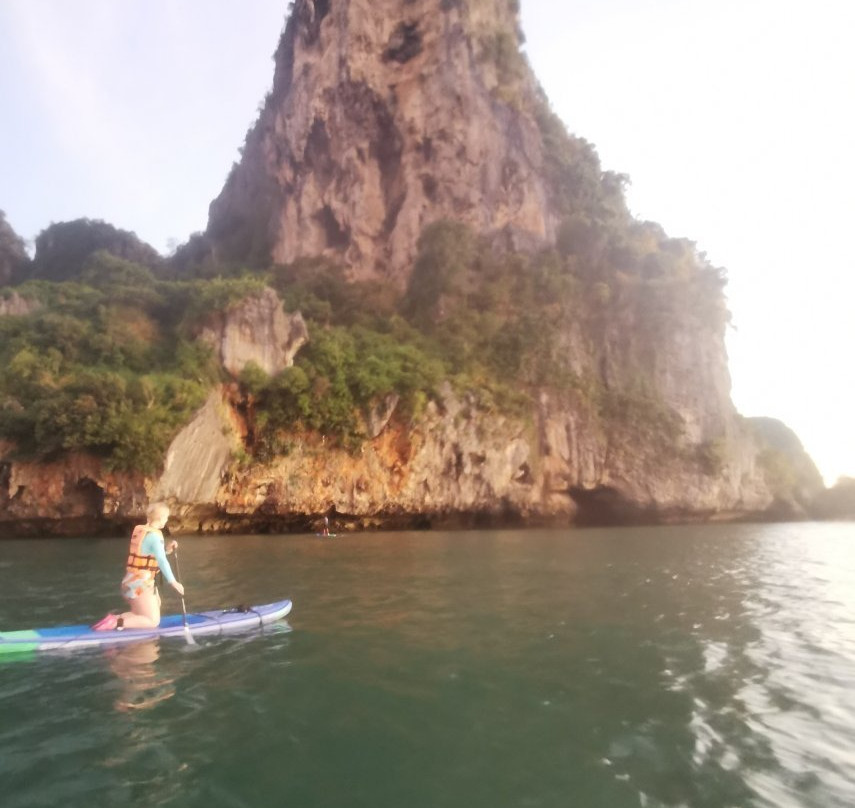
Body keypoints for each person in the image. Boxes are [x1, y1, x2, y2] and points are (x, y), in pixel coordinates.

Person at [91, 502, 185, 631]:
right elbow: (162, 561)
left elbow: (151, 556)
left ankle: (114, 619)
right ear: (161, 518)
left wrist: (167, 550)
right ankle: (115, 623)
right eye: (166, 517)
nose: (167, 520)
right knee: (153, 621)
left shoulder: (143, 531)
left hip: (131, 582)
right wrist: (173, 582)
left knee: (155, 604)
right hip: (140, 585)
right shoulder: (154, 536)